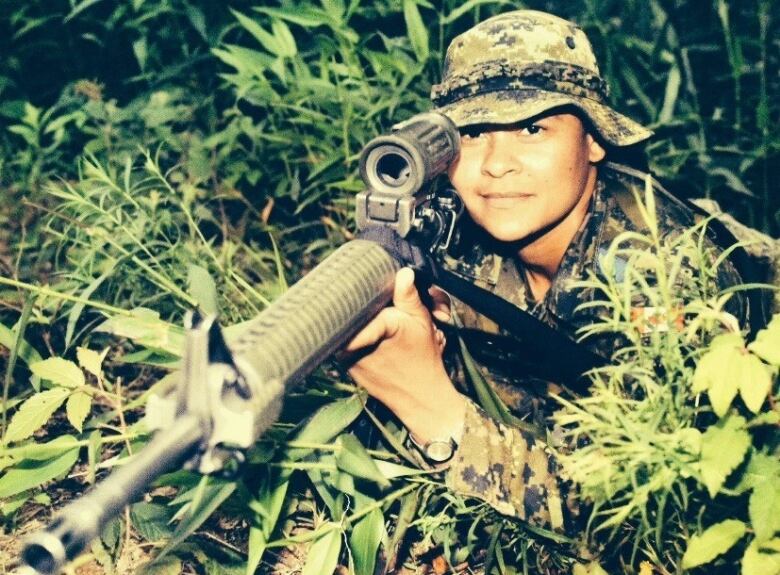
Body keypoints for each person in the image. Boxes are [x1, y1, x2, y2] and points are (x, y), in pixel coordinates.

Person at [343, 7, 748, 548]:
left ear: (595, 142)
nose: (496, 164)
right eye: (473, 131)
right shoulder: (451, 229)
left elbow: (646, 515)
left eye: (533, 128)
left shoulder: (668, 277)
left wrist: (431, 405)